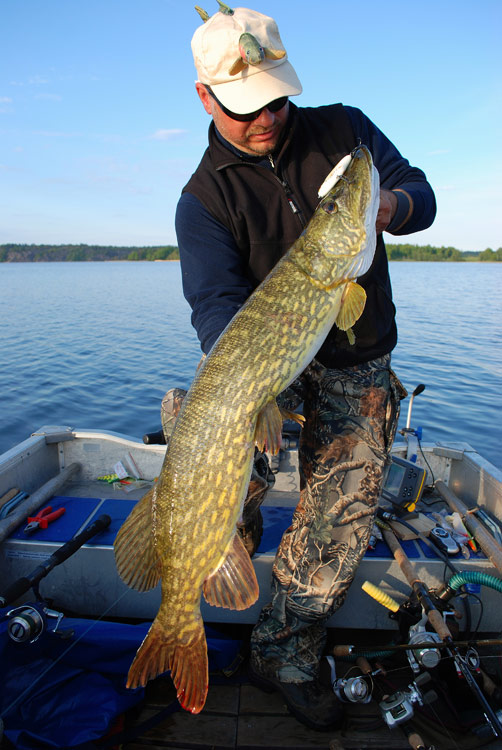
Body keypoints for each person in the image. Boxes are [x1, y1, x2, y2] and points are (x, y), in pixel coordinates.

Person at [174, 4, 436, 731]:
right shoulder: (203, 201)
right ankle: (217, 571)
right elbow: (215, 307)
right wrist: (245, 381)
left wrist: (392, 204)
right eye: (247, 108)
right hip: (266, 366)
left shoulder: (345, 132)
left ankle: (283, 649)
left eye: (278, 101)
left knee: (340, 515)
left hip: (356, 361)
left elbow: (421, 194)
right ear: (206, 97)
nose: (267, 119)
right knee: (206, 444)